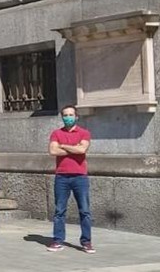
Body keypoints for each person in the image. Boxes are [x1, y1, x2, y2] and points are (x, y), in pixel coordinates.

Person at [48, 105, 94, 254]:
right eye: (65, 115)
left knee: (85, 210)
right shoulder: (56, 133)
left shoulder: (84, 133)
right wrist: (73, 148)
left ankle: (86, 241)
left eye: (71, 115)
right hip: (61, 177)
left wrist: (64, 146)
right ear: (62, 117)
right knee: (59, 210)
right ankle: (57, 240)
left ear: (76, 117)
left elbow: (82, 150)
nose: (68, 117)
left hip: (80, 177)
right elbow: (53, 150)